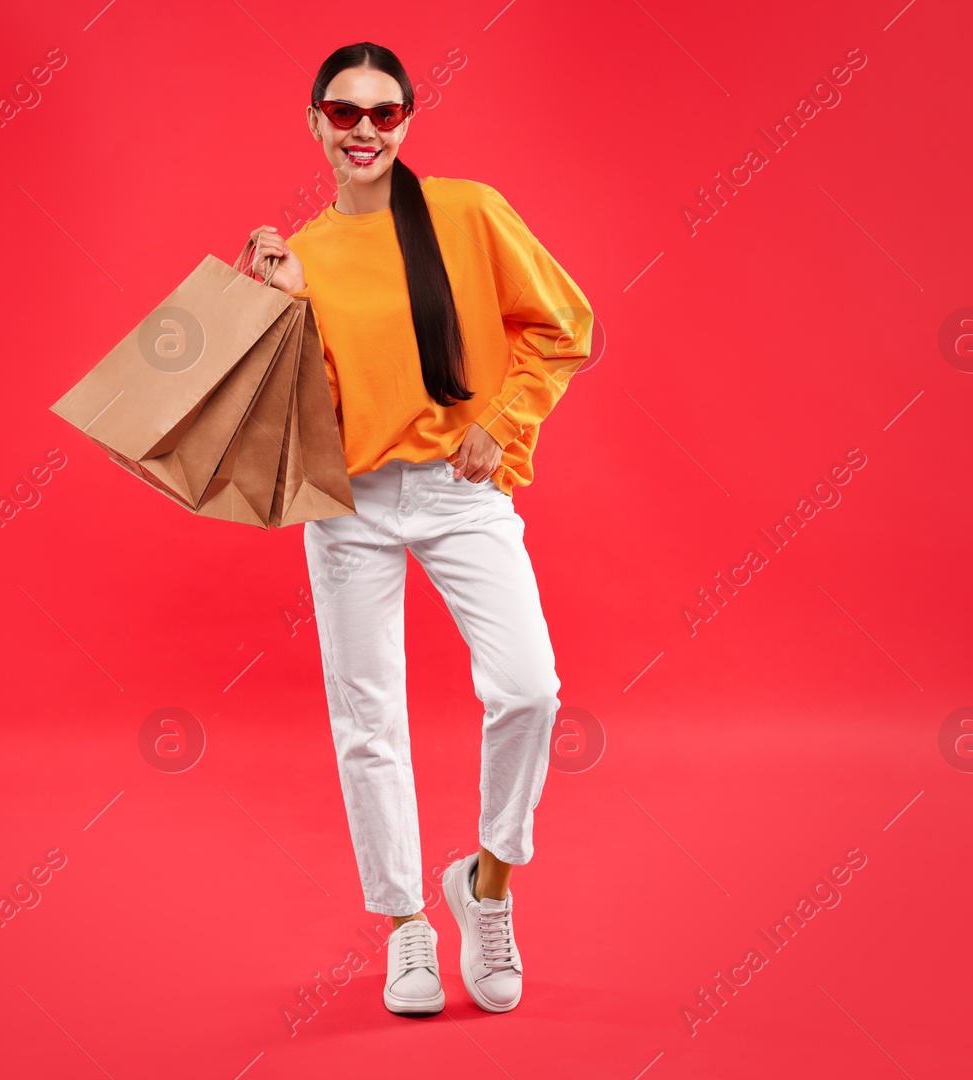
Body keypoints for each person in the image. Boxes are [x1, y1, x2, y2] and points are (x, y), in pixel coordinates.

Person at [248, 41, 592, 1017]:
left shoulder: (468, 213)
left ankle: (484, 888)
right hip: (350, 502)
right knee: (369, 721)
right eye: (344, 114)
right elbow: (291, 413)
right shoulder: (304, 255)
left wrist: (500, 420)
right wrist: (261, 300)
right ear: (314, 121)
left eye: (382, 113)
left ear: (407, 120)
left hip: (456, 488)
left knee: (529, 688)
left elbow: (564, 324)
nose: (363, 131)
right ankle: (405, 929)